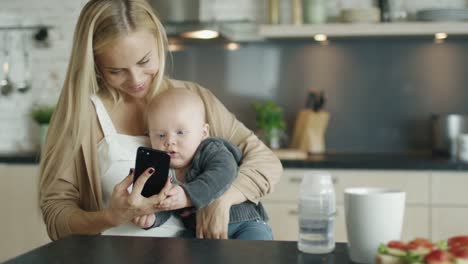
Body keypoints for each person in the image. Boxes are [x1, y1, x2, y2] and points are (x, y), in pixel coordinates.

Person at [38, 0, 282, 241]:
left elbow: (266, 162)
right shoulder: (82, 115)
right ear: (95, 64)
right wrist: (110, 217)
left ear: (159, 41)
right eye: (116, 70)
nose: (135, 80)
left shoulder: (193, 99)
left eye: (144, 61)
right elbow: (56, 215)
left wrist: (221, 199)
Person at [132, 88, 273, 240]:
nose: (169, 141)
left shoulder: (210, 149)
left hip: (243, 223)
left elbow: (224, 171)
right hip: (199, 232)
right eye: (160, 135)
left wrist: (188, 195)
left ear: (203, 133)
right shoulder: (163, 170)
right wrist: (153, 219)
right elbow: (168, 204)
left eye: (180, 132)